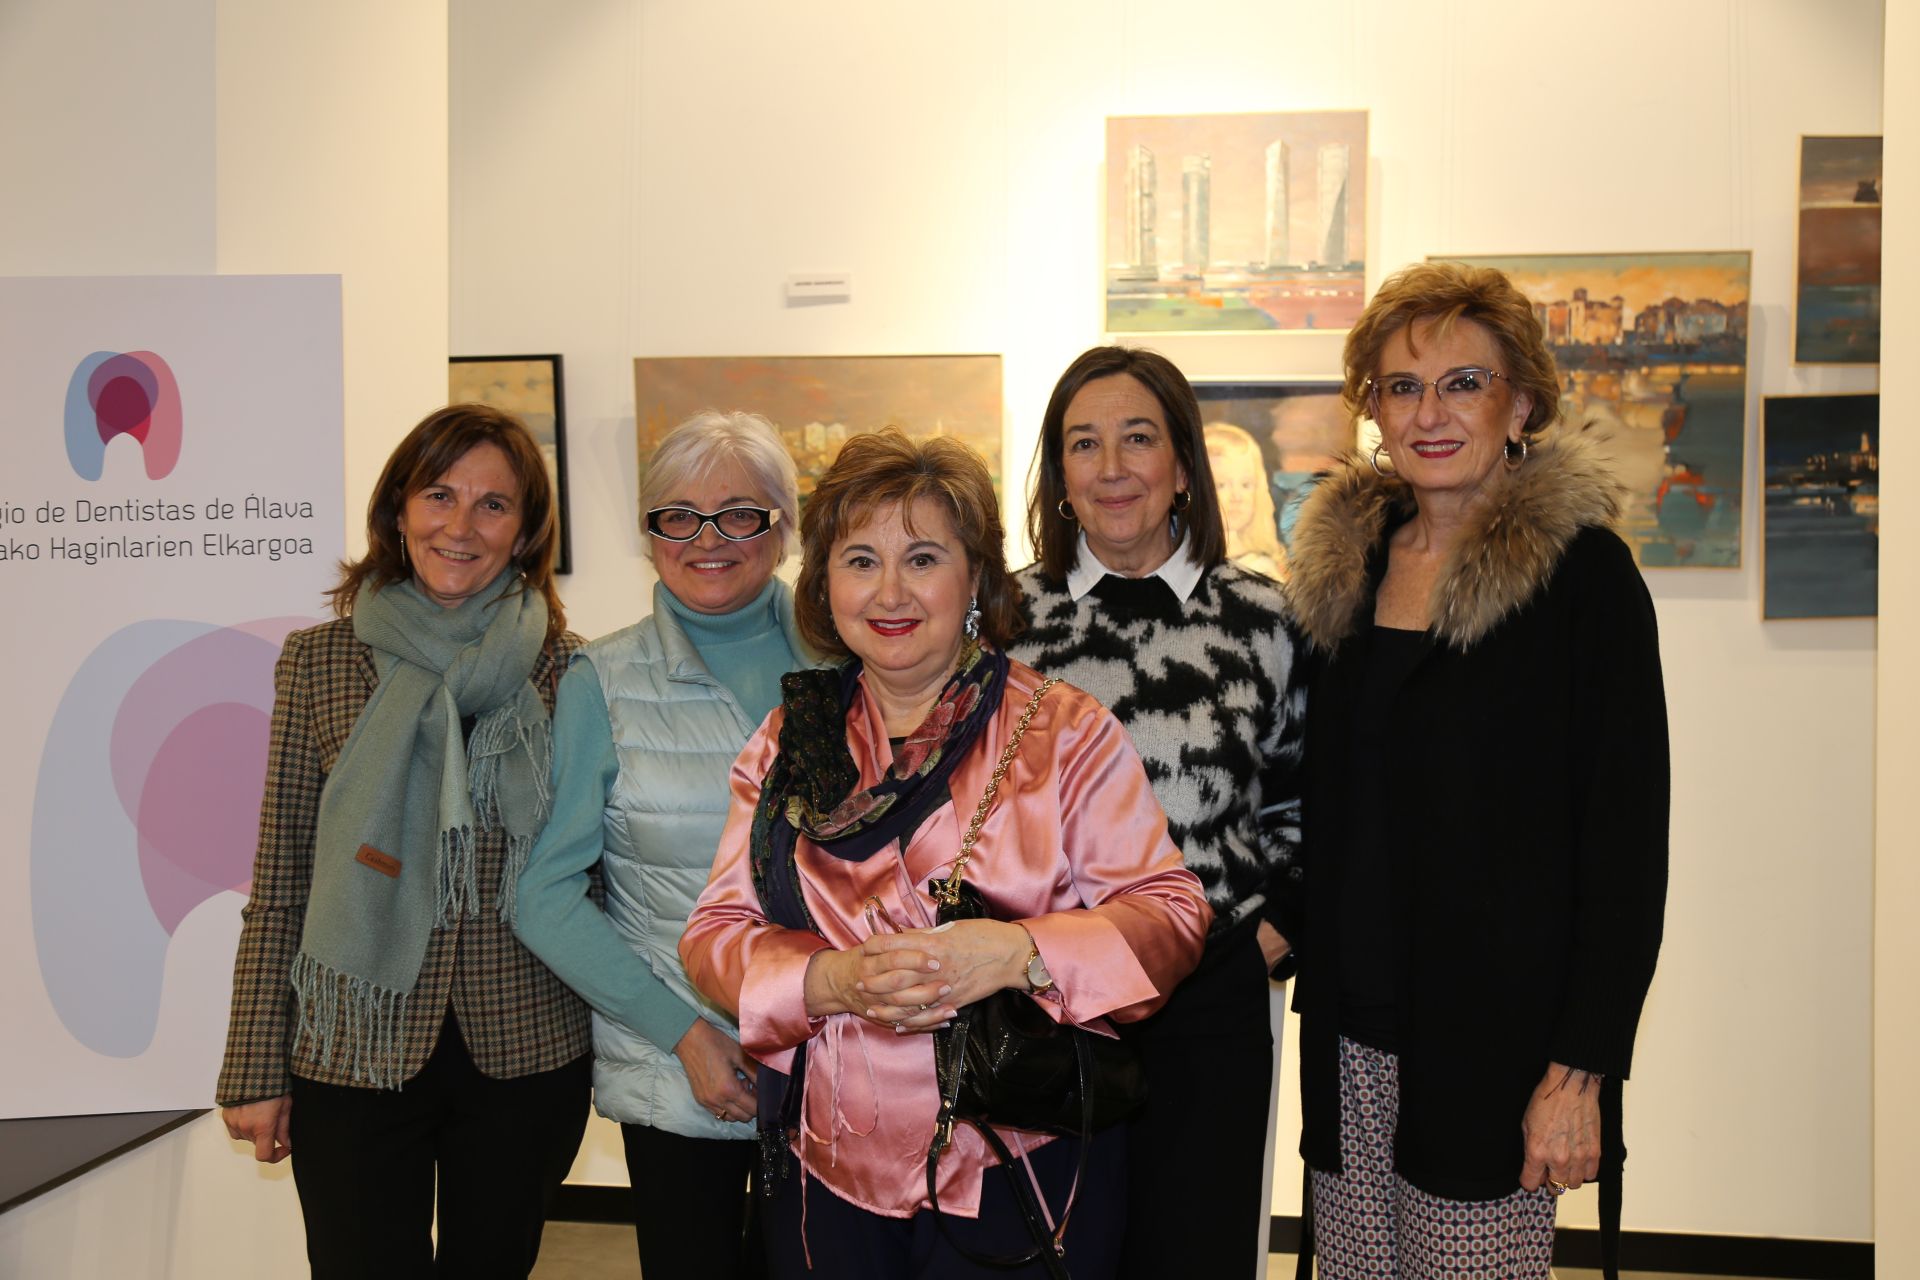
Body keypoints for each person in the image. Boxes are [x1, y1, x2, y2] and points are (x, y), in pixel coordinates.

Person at [680, 428, 1211, 1278]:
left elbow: (1173, 915)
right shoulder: (791, 739)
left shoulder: (1062, 733)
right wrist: (830, 980)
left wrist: (1018, 952)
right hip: (829, 1162)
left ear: (975, 579)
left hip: (1016, 1160)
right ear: (823, 583)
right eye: (859, 560)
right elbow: (714, 933)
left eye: (922, 558)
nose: (889, 591)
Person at [1283, 261, 1669, 1280]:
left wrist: (1580, 1070)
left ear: (1523, 401)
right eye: (1401, 386)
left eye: (1465, 382)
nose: (1430, 412)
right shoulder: (1350, 568)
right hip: (1350, 1033)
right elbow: (1328, 798)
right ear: (1372, 409)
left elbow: (1624, 844)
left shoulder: (1584, 578)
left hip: (1498, 1046)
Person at [217, 403, 591, 1277]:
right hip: (354, 1044)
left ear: (527, 529)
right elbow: (281, 880)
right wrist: (253, 1066)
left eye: (493, 505)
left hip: (526, 1050)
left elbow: (593, 877)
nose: (461, 526)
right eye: (438, 495)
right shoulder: (317, 662)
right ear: (396, 512)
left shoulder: (568, 670)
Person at [1011, 346, 1306, 1279]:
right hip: (1043, 999)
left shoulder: (1263, 617)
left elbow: (1308, 800)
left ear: (1183, 464)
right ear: (1059, 475)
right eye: (1083, 444)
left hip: (1209, 1001)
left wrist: (1271, 936)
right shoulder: (1006, 620)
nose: (1110, 469)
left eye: (1137, 439)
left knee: (1196, 1253)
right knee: (1049, 1253)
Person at [514, 411, 815, 1279]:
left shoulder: (852, 665)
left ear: (784, 527)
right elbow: (545, 895)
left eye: (739, 513)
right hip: (676, 1069)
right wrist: (683, 1033)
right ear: (649, 535)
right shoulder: (599, 681)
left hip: (839, 1060)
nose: (707, 539)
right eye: (676, 515)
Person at [1204, 421, 1287, 580]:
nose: (1237, 497)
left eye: (1246, 485)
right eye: (1220, 485)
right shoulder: (1185, 566)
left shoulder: (1263, 569)